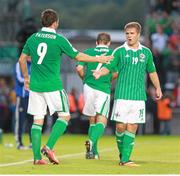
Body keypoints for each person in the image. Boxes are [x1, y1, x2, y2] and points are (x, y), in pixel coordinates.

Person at [18, 9, 113, 165]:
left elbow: (22, 60)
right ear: (56, 22)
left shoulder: (32, 38)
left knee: (37, 120)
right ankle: (49, 147)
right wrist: (99, 58)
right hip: (53, 85)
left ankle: (37, 158)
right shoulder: (59, 39)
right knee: (65, 116)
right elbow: (78, 56)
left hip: (35, 85)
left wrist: (26, 78)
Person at [93, 22, 162, 167]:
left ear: (138, 34)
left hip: (138, 96)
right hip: (122, 95)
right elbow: (109, 67)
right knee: (120, 127)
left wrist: (158, 88)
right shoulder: (119, 51)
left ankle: (125, 159)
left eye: (132, 33)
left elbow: (152, 72)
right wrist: (100, 72)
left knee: (132, 126)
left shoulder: (146, 53)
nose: (129, 36)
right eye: (127, 33)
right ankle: (123, 154)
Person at [76, 33, 118, 160]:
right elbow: (116, 72)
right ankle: (91, 142)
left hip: (88, 87)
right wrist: (108, 80)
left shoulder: (88, 51)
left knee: (92, 119)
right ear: (109, 42)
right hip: (103, 88)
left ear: (96, 42)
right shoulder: (113, 54)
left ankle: (93, 153)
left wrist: (85, 79)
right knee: (102, 118)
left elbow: (79, 68)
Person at [14, 58, 33, 149]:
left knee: (32, 120)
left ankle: (32, 142)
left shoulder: (34, 65)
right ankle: (19, 142)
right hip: (22, 96)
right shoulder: (20, 64)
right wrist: (28, 78)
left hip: (32, 97)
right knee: (20, 120)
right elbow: (19, 78)